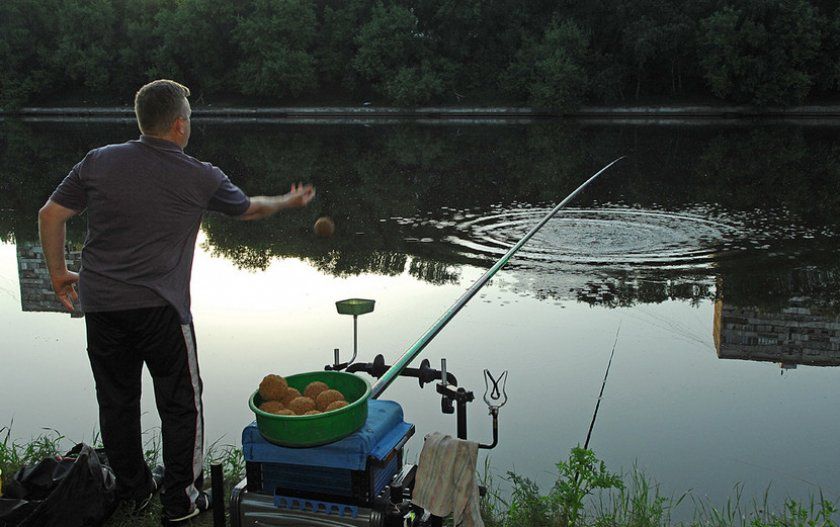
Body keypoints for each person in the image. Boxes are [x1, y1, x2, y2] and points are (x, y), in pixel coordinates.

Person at [37, 79, 315, 524]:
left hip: (102, 305)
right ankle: (181, 501)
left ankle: (133, 489)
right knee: (183, 402)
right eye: (190, 115)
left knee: (116, 400)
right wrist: (289, 200)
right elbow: (251, 209)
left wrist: (57, 275)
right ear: (180, 124)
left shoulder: (98, 161)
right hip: (160, 310)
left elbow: (50, 215)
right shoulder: (199, 175)